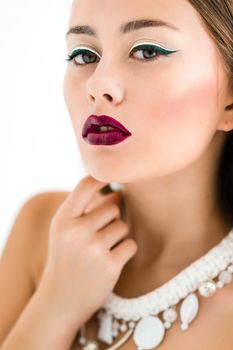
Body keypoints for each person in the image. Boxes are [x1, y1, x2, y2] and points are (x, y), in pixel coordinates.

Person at [0, 0, 233, 349]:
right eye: (84, 55)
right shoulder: (41, 230)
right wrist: (53, 308)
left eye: (147, 50)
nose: (98, 84)